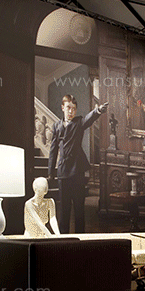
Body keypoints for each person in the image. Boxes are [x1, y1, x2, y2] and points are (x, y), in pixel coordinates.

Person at [48, 94, 108, 233]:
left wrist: (98, 110)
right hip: (63, 173)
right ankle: (63, 239)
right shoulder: (56, 126)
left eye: (74, 109)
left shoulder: (79, 122)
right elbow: (53, 151)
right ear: (62, 107)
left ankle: (80, 239)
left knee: (79, 209)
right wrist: (50, 173)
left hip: (77, 172)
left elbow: (88, 119)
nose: (71, 111)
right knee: (64, 209)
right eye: (68, 107)